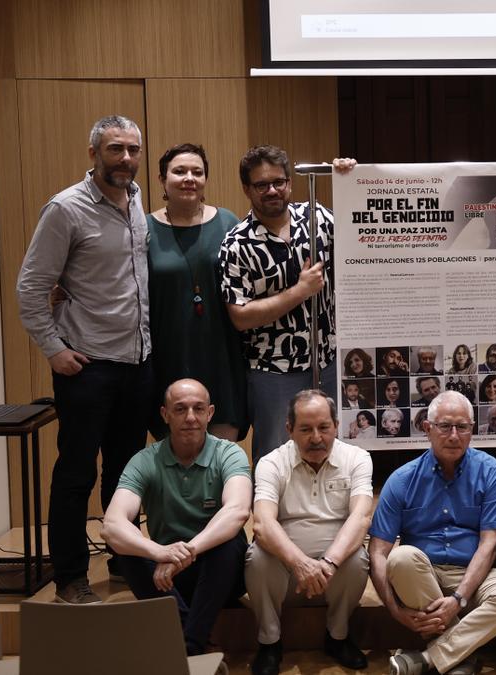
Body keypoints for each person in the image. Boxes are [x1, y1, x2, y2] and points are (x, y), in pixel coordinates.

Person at [16, 115, 154, 604]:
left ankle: (124, 560)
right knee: (77, 473)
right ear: (93, 152)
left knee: (126, 472)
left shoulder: (137, 201)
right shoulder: (66, 209)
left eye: (133, 150)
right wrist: (53, 349)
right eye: (116, 149)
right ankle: (71, 576)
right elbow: (31, 287)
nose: (126, 159)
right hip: (87, 366)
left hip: (137, 364)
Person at [370, 391, 496, 675]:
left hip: (473, 574)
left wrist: (459, 599)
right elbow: (378, 552)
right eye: (445, 426)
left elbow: (489, 544)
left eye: (462, 427)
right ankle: (460, 656)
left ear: (472, 430)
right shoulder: (402, 479)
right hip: (421, 576)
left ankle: (432, 658)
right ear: (427, 429)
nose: (454, 435)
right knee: (400, 557)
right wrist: (395, 611)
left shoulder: (491, 472)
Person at [219, 146, 356, 463]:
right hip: (273, 370)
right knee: (276, 457)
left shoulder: (318, 219)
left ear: (290, 183)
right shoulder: (236, 243)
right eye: (261, 185)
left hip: (329, 361)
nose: (272, 190)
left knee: (336, 453)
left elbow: (360, 235)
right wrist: (300, 291)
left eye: (278, 182)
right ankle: (271, 515)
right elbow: (239, 316)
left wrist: (349, 179)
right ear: (246, 189)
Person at [101, 379, 250, 655]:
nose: (190, 417)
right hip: (167, 578)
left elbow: (237, 511)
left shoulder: (230, 453)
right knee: (127, 550)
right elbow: (111, 526)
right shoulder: (145, 460)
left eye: (198, 408)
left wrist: (185, 553)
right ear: (165, 415)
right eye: (180, 409)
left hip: (220, 575)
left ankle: (188, 647)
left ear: (210, 413)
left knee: (229, 545)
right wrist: (158, 552)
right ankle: (193, 640)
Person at [246, 390, 374, 674]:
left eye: (324, 427)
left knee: (358, 560)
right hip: (287, 571)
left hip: (334, 571)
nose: (316, 437)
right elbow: (263, 524)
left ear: (336, 426)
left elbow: (361, 517)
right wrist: (300, 564)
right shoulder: (270, 463)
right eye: (305, 429)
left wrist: (328, 564)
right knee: (257, 558)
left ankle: (337, 636)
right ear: (289, 429)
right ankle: (270, 642)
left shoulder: (358, 458)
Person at [145, 143, 247, 441]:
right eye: (179, 171)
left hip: (222, 355)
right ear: (163, 180)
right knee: (176, 462)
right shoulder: (144, 228)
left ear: (205, 180)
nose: (189, 177)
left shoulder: (229, 222)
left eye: (197, 172)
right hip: (168, 354)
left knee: (222, 456)